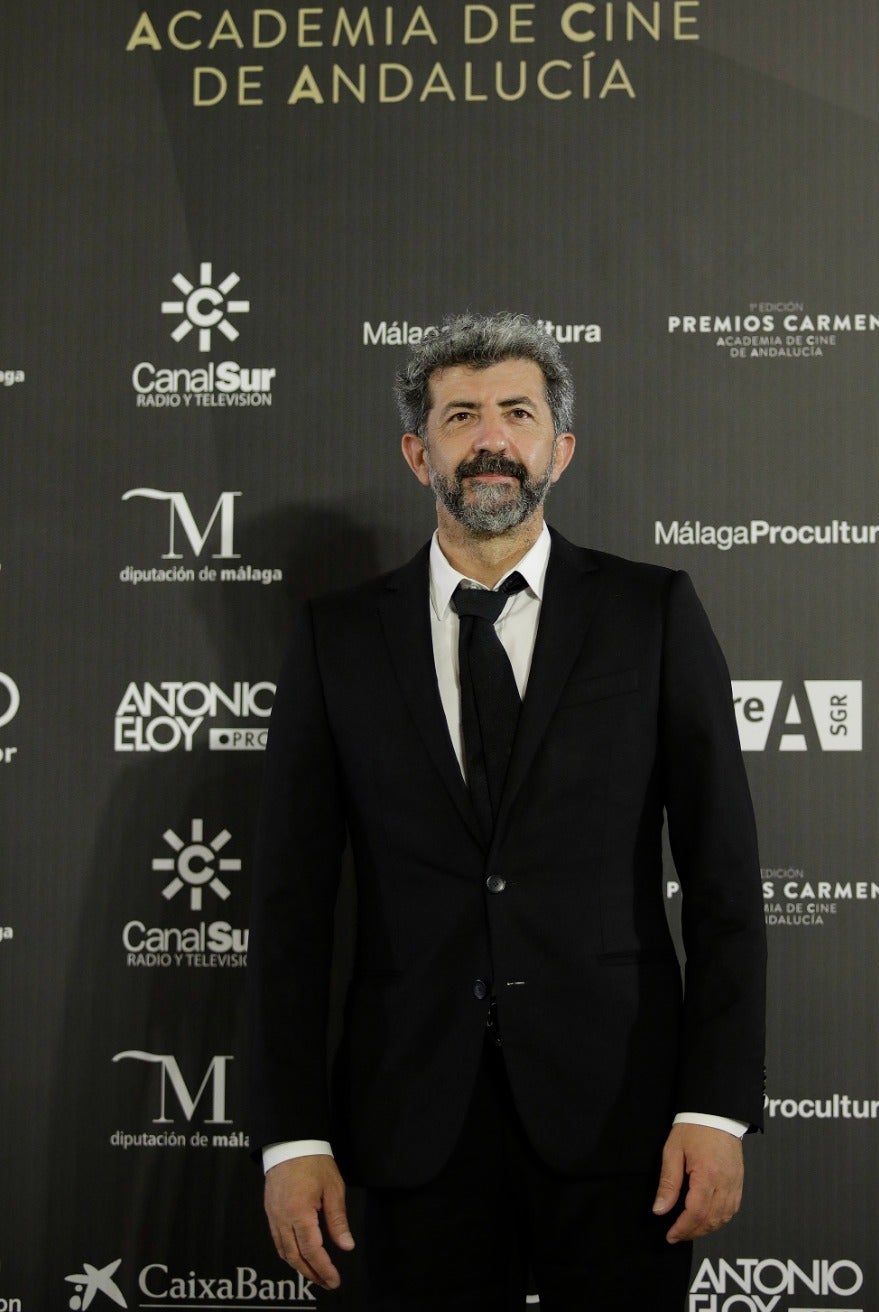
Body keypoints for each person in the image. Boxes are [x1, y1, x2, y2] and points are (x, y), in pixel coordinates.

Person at [247, 311, 766, 1311]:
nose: (491, 438)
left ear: (559, 448)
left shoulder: (650, 613)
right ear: (417, 451)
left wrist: (716, 1106)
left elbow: (723, 879)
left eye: (518, 413)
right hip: (402, 1127)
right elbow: (289, 910)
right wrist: (292, 1134)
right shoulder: (336, 639)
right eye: (460, 415)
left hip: (622, 1118)